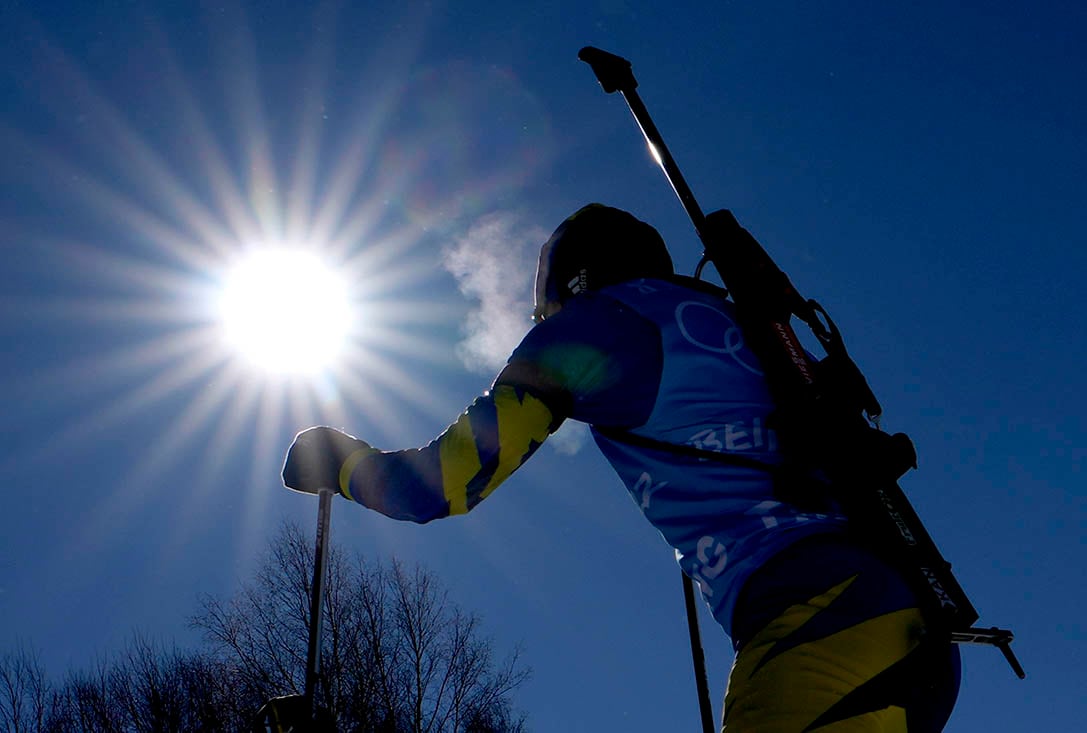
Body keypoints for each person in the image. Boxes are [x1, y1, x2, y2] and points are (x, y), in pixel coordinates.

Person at [282, 203, 962, 732]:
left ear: (566, 287)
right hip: (907, 622)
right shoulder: (740, 321)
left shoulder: (593, 327)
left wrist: (339, 461)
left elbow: (443, 483)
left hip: (819, 626)